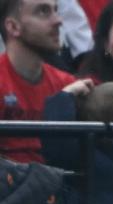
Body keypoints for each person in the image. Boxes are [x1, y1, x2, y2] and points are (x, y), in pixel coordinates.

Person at [0, 0, 80, 163]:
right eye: (43, 11)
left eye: (56, 10)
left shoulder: (67, 84)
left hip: (58, 177)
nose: (58, 20)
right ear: (13, 27)